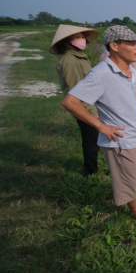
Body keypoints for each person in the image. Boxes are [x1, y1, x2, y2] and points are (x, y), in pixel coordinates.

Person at [61, 25, 136, 222]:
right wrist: (101, 126)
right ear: (114, 46)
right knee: (127, 179)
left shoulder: (132, 71)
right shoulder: (101, 74)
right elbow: (70, 102)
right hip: (120, 141)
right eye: (131, 44)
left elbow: (133, 103)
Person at [50, 24, 100, 176]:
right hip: (85, 109)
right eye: (77, 37)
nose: (82, 39)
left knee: (95, 141)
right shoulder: (70, 61)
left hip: (91, 106)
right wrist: (92, 113)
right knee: (91, 143)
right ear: (66, 42)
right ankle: (90, 174)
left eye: (82, 36)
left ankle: (93, 170)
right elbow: (77, 92)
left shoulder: (79, 57)